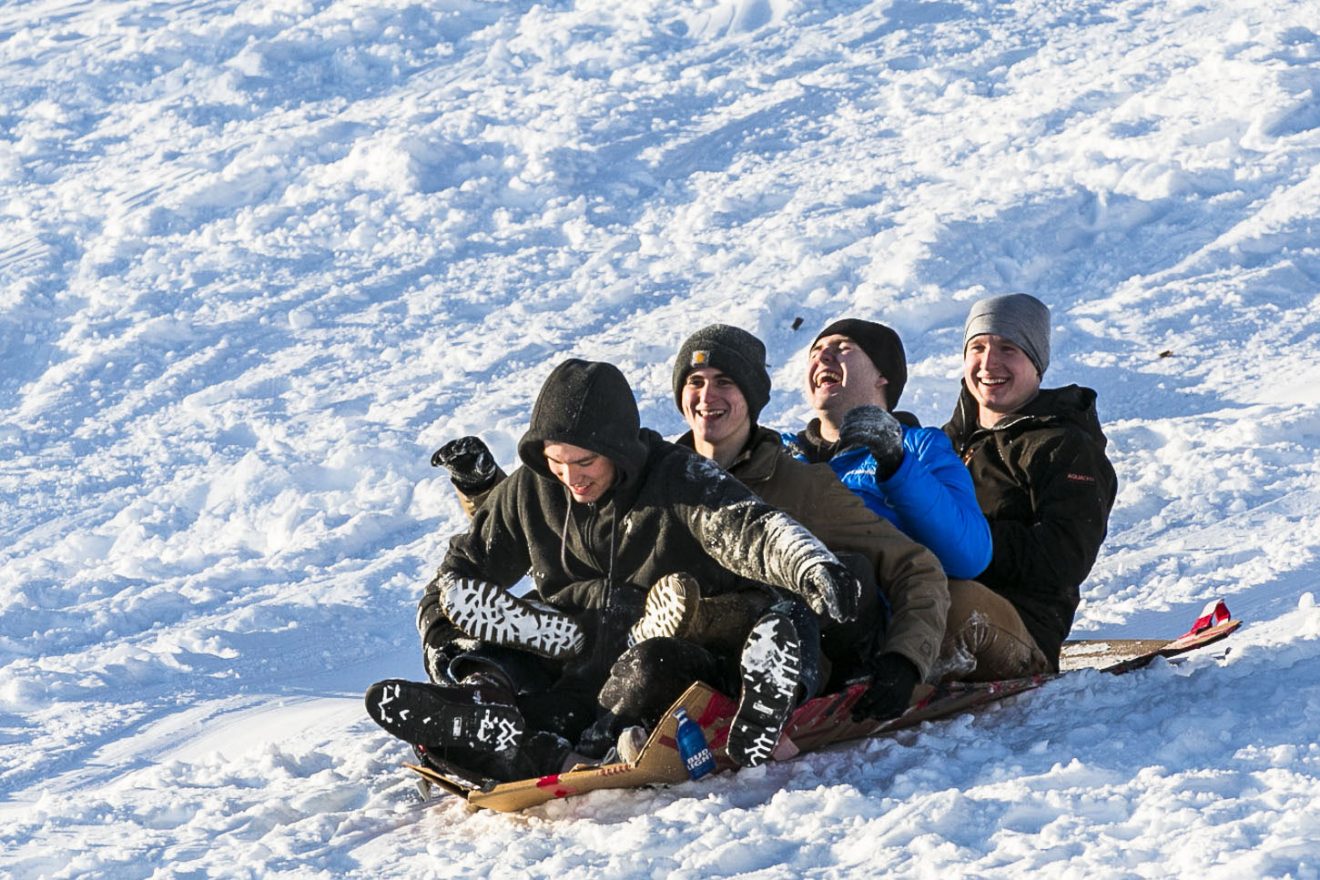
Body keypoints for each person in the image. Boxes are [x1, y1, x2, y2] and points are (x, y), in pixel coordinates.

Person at [365, 358, 864, 778]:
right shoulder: (533, 488)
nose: (570, 477)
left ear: (619, 450)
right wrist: (441, 643)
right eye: (556, 461)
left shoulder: (678, 478)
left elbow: (751, 527)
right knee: (494, 645)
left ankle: (580, 744)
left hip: (672, 650)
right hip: (575, 656)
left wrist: (810, 564)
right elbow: (455, 576)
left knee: (649, 667)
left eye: (584, 462)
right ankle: (484, 702)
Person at [601, 325, 948, 735]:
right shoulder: (655, 486)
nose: (707, 397)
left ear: (751, 396)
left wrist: (904, 659)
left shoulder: (801, 484)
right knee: (652, 658)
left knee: (841, 574)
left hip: (802, 657)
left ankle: (772, 702)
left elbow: (915, 565)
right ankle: (615, 731)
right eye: (695, 382)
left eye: (724, 382)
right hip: (710, 661)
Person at [939, 293, 1118, 679]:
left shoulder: (1064, 446)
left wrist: (961, 537)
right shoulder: (943, 445)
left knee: (951, 604)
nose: (989, 363)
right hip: (930, 597)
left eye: (1008, 348)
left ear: (1036, 362)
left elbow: (1064, 558)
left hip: (1020, 625)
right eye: (978, 347)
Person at [785, 319, 992, 581]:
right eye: (816, 352)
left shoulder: (919, 448)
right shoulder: (781, 452)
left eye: (842, 347)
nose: (823, 355)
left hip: (874, 605)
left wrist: (898, 467)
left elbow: (969, 556)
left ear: (882, 375)